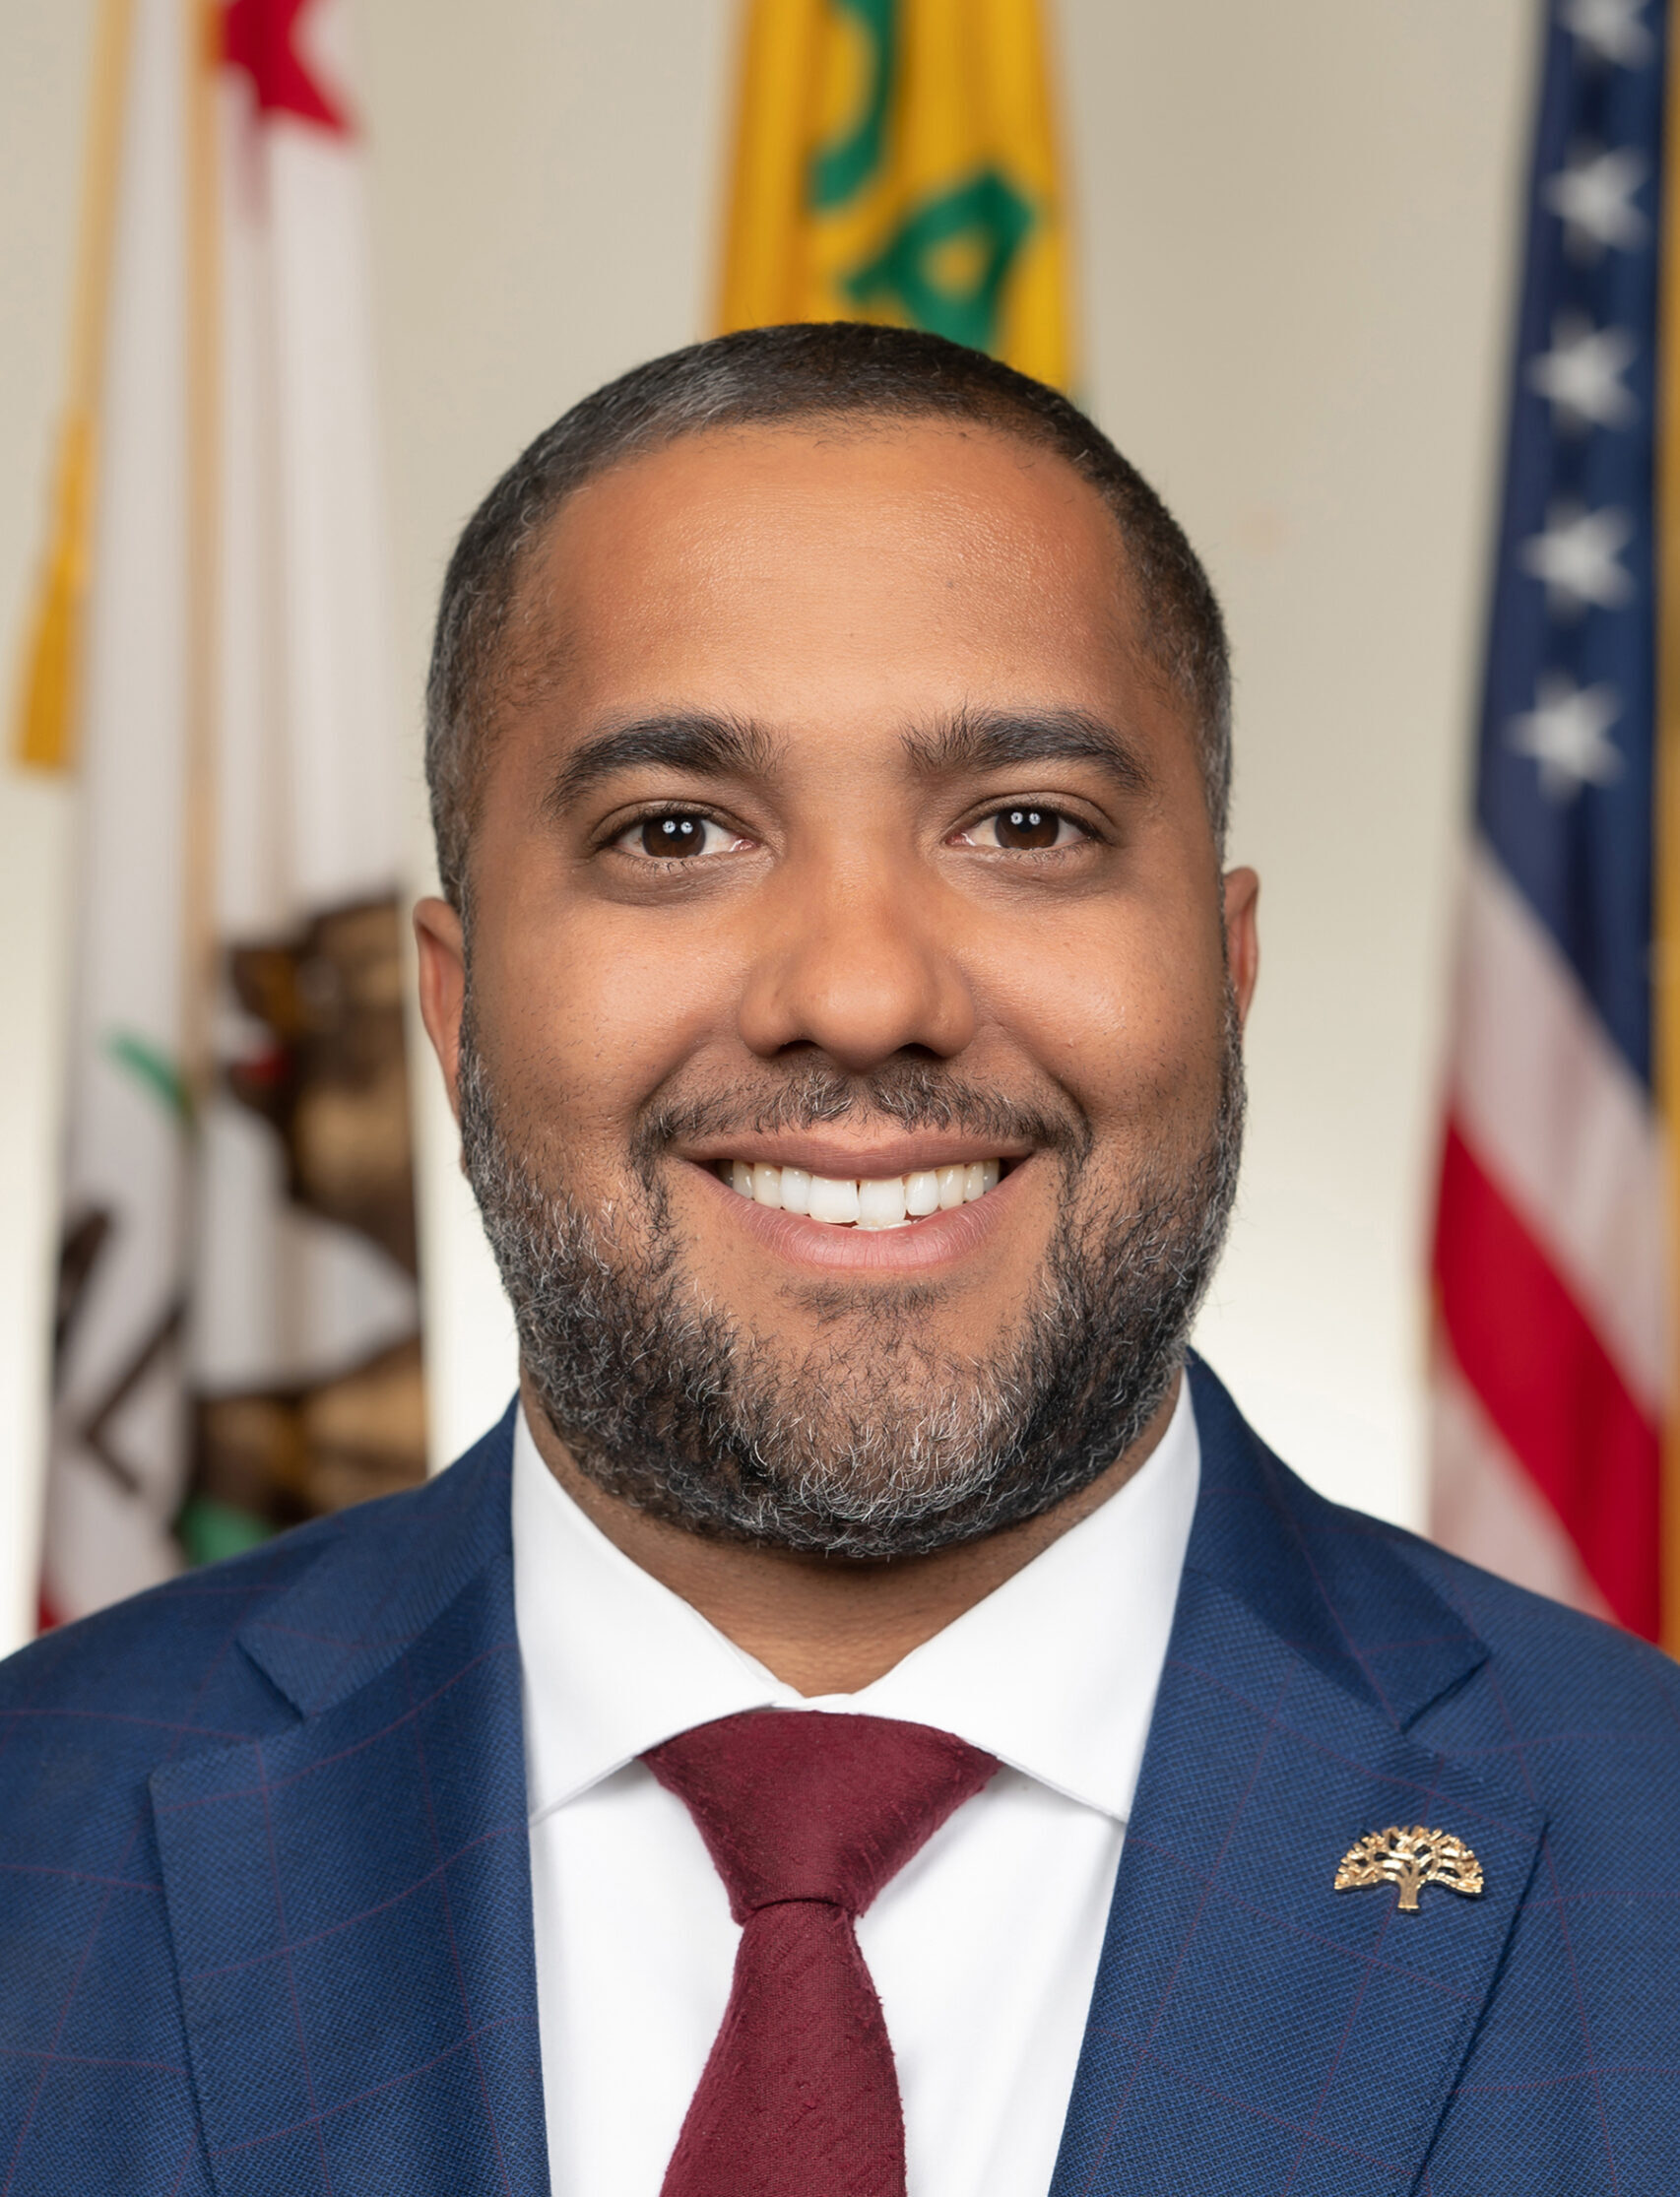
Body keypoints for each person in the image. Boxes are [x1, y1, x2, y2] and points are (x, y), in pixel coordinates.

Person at [2, 323, 1676, 2197]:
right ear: (454, 1009)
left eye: (1024, 826)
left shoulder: (1650, 1871)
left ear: (1227, 968)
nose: (862, 993)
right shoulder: (31, 1847)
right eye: (675, 834)